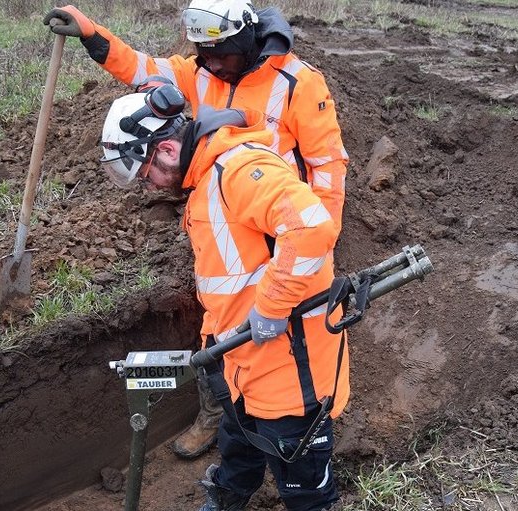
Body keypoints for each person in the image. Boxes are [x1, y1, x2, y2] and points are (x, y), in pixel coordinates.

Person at [45, 0, 349, 460]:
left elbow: (327, 165)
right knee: (220, 319)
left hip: (280, 227)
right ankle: (227, 414)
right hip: (222, 216)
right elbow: (142, 68)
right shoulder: (203, 71)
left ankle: (302, 420)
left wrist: (318, 244)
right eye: (201, 54)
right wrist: (91, 33)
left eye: (218, 54)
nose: (208, 64)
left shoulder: (298, 84)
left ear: (246, 42)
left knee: (287, 336)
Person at [99, 86, 348, 511]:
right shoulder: (205, 181)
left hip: (288, 367)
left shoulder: (238, 170)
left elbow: (310, 229)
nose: (149, 187)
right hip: (240, 360)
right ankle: (229, 497)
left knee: (302, 482)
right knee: (239, 447)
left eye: (146, 175)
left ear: (167, 147)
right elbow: (231, 277)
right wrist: (213, 346)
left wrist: (270, 309)